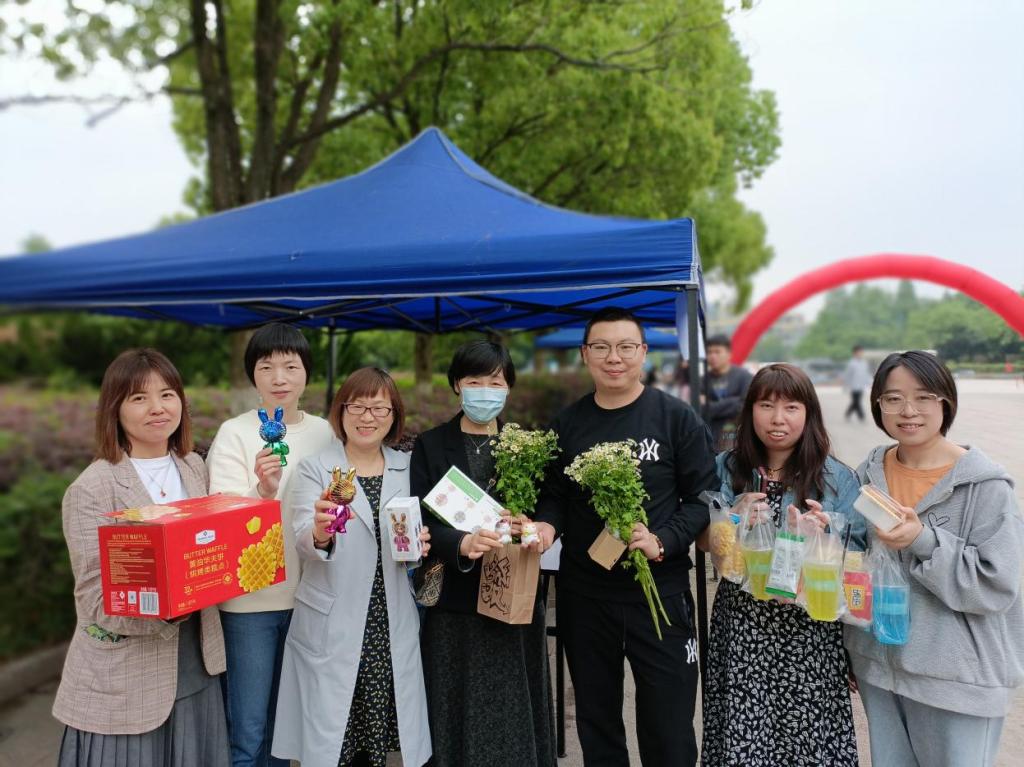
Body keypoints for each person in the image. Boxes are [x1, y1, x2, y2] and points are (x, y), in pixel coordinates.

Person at [534, 307, 718, 767]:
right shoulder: (566, 425)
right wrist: (547, 525)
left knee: (668, 724)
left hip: (660, 591)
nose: (613, 357)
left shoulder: (677, 419)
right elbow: (553, 496)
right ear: (584, 354)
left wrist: (663, 540)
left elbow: (703, 499)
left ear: (643, 352)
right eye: (601, 347)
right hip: (585, 594)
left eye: (625, 347)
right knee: (596, 720)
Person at [847, 351, 1024, 767]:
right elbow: (855, 561)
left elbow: (996, 586)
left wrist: (923, 541)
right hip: (879, 670)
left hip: (957, 680)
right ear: (877, 404)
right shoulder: (867, 475)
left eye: (923, 397)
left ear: (946, 401)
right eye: (893, 399)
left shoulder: (985, 487)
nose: (908, 411)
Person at [53, 348, 229, 766]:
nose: (157, 408)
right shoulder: (92, 489)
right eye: (139, 398)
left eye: (167, 395)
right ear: (114, 409)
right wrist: (167, 607)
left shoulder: (194, 467)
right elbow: (95, 600)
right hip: (126, 680)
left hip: (196, 665)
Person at [698, 363, 863, 766]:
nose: (777, 419)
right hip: (743, 627)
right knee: (744, 735)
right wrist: (731, 519)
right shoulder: (727, 468)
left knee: (809, 740)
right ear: (750, 410)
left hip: (810, 631)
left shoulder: (836, 477)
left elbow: (858, 556)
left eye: (791, 407)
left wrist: (826, 534)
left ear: (809, 413)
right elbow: (704, 544)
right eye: (766, 405)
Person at [273, 367, 431, 767]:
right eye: (357, 406)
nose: (367, 417)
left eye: (379, 408)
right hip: (334, 619)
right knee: (334, 739)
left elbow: (414, 536)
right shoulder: (315, 468)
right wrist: (321, 532)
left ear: (394, 415)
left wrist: (421, 545)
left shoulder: (409, 467)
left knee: (374, 736)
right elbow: (302, 538)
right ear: (340, 412)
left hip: (387, 619)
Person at [410, 340, 556, 767]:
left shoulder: (525, 445)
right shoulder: (431, 445)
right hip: (454, 603)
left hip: (513, 600)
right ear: (457, 384)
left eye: (495, 382)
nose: (485, 391)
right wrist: (460, 543)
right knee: (453, 705)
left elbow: (550, 505)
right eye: (474, 382)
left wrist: (537, 526)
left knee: (512, 705)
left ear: (509, 387)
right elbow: (419, 515)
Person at [206, 323, 334, 767]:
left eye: (290, 366)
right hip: (250, 604)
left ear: (306, 373)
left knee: (285, 731)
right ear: (252, 375)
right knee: (249, 731)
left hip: (309, 598)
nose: (279, 378)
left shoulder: (325, 432)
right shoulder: (235, 433)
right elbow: (221, 517)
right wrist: (262, 491)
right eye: (266, 367)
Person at [703, 334, 753, 452]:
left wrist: (713, 406)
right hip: (711, 440)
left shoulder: (744, 377)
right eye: (709, 352)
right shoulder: (703, 380)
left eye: (717, 352)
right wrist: (734, 401)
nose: (713, 356)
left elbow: (746, 406)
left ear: (729, 353)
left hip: (738, 439)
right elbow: (702, 409)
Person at [842, 345, 872, 422]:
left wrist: (871, 383)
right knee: (857, 402)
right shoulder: (851, 363)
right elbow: (848, 375)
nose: (860, 354)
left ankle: (848, 413)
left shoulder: (864, 363)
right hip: (854, 386)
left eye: (861, 352)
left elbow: (866, 374)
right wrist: (845, 386)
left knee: (856, 402)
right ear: (854, 353)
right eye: (858, 352)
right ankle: (861, 416)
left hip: (861, 386)